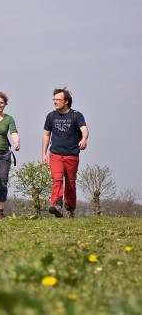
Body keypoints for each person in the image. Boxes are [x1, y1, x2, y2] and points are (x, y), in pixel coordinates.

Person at [42, 88, 88, 218]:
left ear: (66, 101)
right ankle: (56, 205)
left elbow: (84, 129)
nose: (55, 102)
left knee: (70, 183)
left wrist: (84, 139)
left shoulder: (76, 115)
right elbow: (46, 135)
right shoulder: (51, 116)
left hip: (72, 155)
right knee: (57, 179)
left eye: (58, 99)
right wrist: (44, 154)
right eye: (54, 100)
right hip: (55, 154)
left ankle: (69, 208)